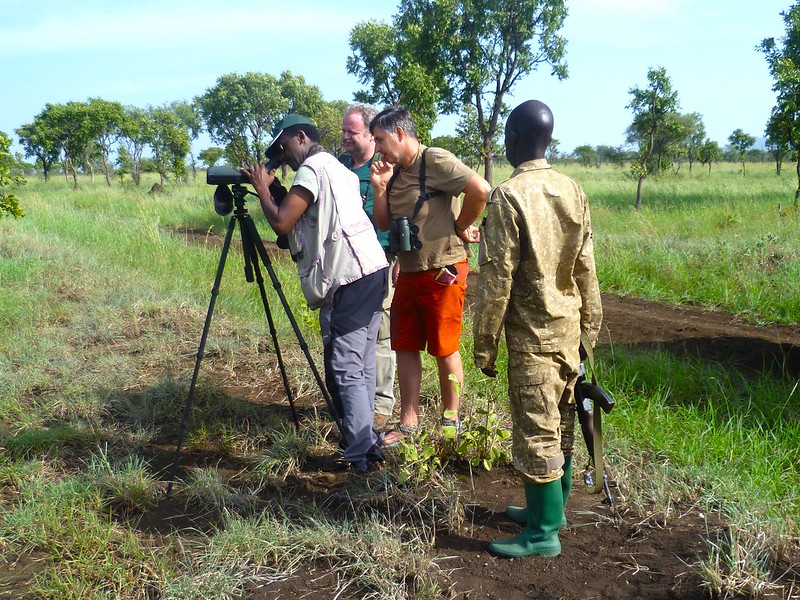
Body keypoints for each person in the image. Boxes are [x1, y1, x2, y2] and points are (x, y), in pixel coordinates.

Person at [472, 100, 603, 558]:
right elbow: (587, 267)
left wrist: (484, 343)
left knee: (536, 432)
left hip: (533, 338)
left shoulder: (508, 196)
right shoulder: (573, 189)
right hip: (569, 334)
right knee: (561, 422)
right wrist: (591, 328)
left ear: (512, 140)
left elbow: (496, 279)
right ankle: (552, 510)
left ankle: (543, 533)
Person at [241, 114, 389, 474]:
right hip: (373, 269)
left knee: (346, 368)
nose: (284, 156)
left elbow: (281, 223)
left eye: (285, 147)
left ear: (301, 138)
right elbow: (309, 215)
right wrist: (276, 191)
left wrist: (262, 188)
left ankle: (359, 457)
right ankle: (367, 444)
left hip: (349, 277)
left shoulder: (312, 168)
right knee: (364, 362)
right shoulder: (339, 170)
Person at [368, 106, 491, 447]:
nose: (377, 147)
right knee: (405, 345)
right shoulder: (394, 172)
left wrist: (460, 225)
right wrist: (380, 188)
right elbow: (383, 223)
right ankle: (409, 422)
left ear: (400, 134)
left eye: (380, 139)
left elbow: (479, 189)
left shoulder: (434, 159)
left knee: (443, 347)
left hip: (443, 270)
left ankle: (451, 421)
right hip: (408, 270)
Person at [339, 103, 397, 432]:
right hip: (347, 263)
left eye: (352, 131)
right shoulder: (341, 166)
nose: (345, 136)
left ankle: (380, 404)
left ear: (370, 135)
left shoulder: (385, 166)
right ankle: (355, 399)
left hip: (381, 258)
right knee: (352, 332)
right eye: (344, 130)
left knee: (381, 331)